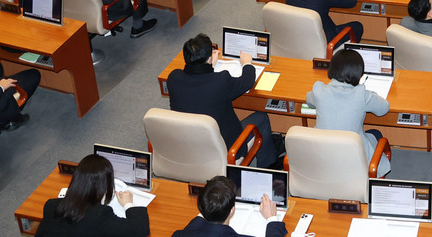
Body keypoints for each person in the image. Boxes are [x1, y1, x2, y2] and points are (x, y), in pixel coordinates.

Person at [166, 34, 279, 169]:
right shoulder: (220, 81)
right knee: (262, 117)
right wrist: (247, 63)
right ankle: (270, 167)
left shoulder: (173, 78)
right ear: (209, 58)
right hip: (227, 149)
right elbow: (248, 81)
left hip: (189, 146)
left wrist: (209, 66)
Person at [305, 48, 390, 176]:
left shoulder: (319, 90)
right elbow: (384, 109)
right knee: (376, 134)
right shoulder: (361, 94)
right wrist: (371, 94)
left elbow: (309, 100)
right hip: (353, 158)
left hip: (322, 155)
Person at [37, 153, 149, 237]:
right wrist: (128, 204)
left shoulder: (50, 205)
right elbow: (140, 230)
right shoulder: (99, 215)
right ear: (104, 186)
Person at [170, 174, 285, 237]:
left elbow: (193, 228)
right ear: (232, 211)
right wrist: (271, 218)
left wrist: (209, 204)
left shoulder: (178, 235)